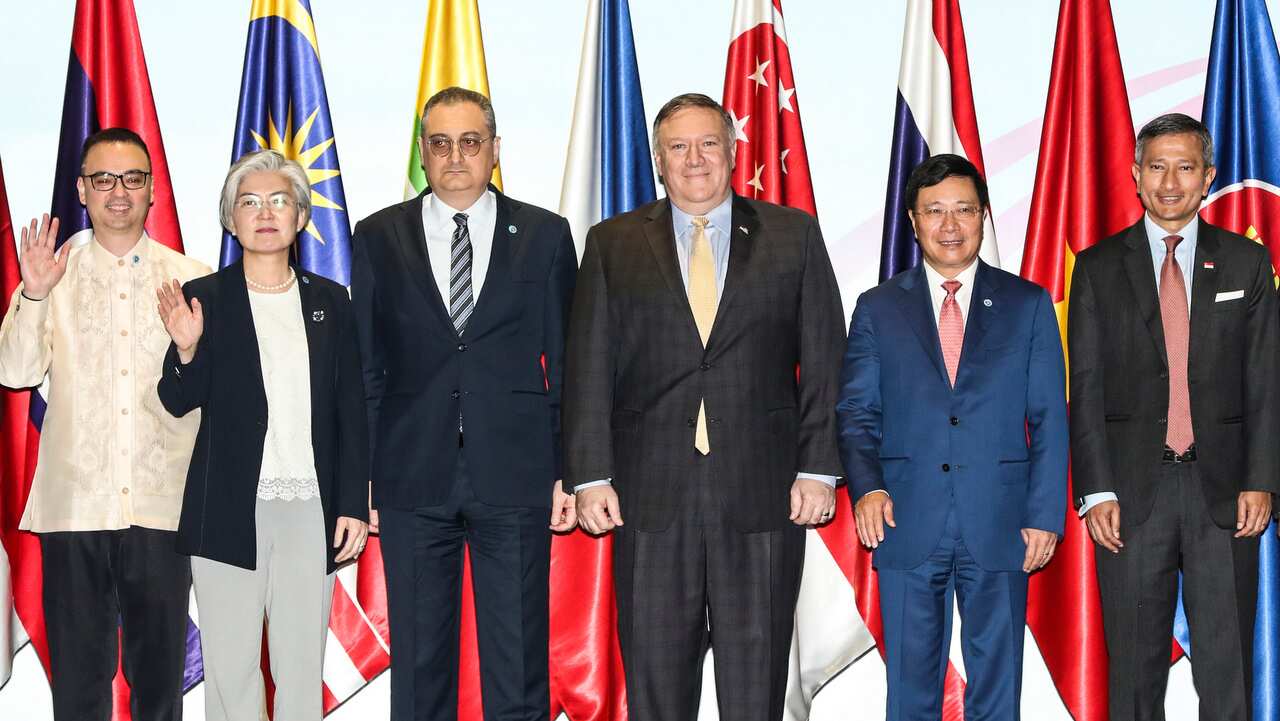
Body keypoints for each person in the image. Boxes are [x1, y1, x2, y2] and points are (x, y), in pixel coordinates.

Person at [562, 92, 845, 721]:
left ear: (733, 151)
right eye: (678, 147)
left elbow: (827, 359)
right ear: (659, 161)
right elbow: (587, 368)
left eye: (708, 143)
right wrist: (588, 476)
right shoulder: (612, 244)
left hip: (763, 495)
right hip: (649, 497)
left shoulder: (791, 235)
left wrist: (818, 467)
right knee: (658, 691)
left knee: (755, 688)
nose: (695, 159)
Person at [350, 86, 577, 721]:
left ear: (494, 150)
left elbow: (566, 367)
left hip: (517, 476)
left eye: (470, 142)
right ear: (423, 152)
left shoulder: (544, 235)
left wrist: (568, 467)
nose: (455, 156)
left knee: (519, 663)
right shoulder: (377, 236)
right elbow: (367, 369)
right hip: (409, 478)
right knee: (419, 675)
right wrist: (362, 477)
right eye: (441, 143)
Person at [837, 154, 1068, 720]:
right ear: (913, 222)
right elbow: (856, 413)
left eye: (963, 210)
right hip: (905, 518)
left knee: (998, 685)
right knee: (911, 690)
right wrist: (867, 488)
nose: (949, 225)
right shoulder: (878, 307)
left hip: (1001, 519)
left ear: (984, 217)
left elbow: (1048, 418)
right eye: (934, 211)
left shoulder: (1027, 303)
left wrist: (1044, 515)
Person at [1069, 112, 1280, 721]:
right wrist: (1095, 490)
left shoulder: (1245, 262)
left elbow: (1266, 379)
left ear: (1208, 176)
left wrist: (1261, 478)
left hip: (1226, 493)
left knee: (1227, 667)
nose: (1169, 182)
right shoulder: (1098, 266)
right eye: (1156, 167)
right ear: (1135, 175)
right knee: (1134, 673)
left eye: (1185, 167)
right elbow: (1083, 387)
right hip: (1133, 493)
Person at [0, 127, 210, 721]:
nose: (119, 191)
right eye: (104, 179)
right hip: (76, 510)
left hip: (162, 507)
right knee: (79, 689)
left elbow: (209, 395)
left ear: (152, 191)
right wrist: (34, 295)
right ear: (82, 190)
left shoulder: (192, 278)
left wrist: (192, 354)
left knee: (160, 687)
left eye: (133, 179)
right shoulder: (50, 275)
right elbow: (14, 372)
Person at [153, 149, 368, 721]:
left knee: (300, 669)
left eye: (280, 201)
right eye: (249, 202)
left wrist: (351, 502)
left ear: (301, 217)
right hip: (226, 508)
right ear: (231, 219)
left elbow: (351, 410)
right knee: (232, 669)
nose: (265, 212)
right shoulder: (204, 297)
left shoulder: (331, 302)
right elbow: (176, 399)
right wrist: (186, 348)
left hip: (310, 508)